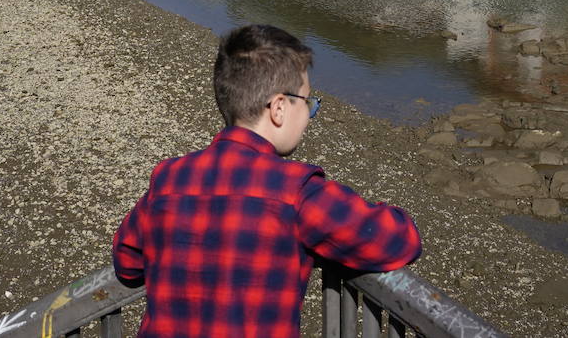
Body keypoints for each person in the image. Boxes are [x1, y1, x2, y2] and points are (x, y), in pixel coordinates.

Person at [113, 25, 421, 338]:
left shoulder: (168, 178)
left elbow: (126, 262)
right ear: (279, 108)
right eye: (307, 102)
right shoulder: (295, 191)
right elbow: (396, 239)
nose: (308, 115)